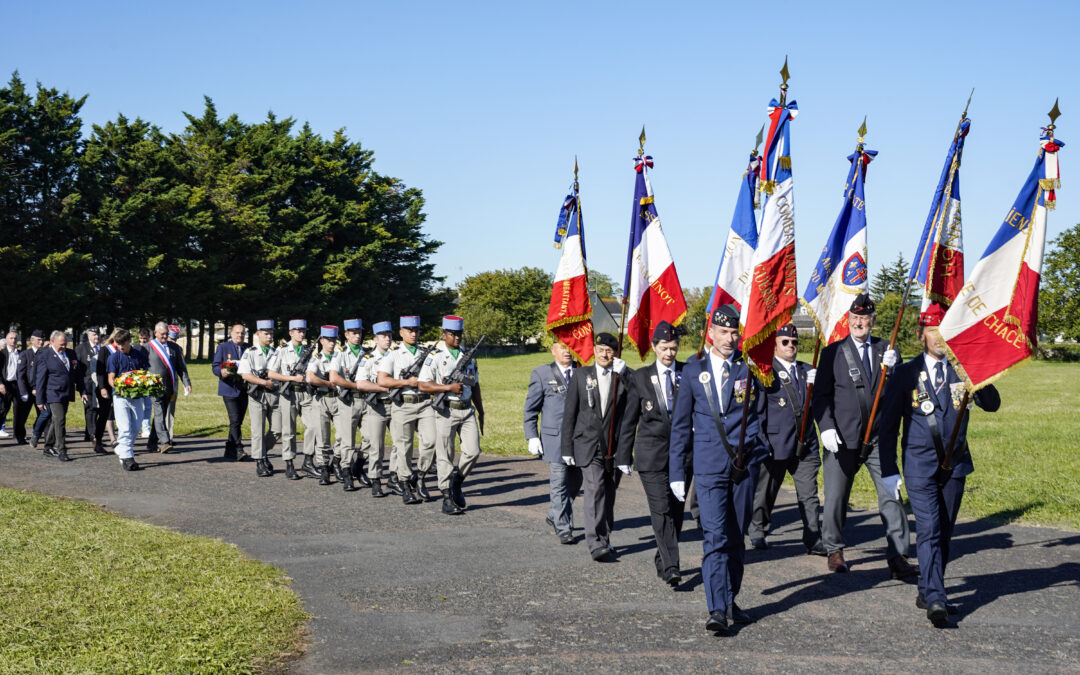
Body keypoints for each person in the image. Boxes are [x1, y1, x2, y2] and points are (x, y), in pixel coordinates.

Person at [879, 310, 1001, 626]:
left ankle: (928, 588)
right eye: (934, 330)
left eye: (946, 330)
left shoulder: (962, 372)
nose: (940, 337)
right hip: (919, 464)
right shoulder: (907, 374)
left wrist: (977, 369)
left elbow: (992, 403)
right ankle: (936, 597)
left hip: (956, 463)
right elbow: (888, 425)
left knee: (944, 532)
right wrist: (889, 468)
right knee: (930, 528)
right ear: (922, 335)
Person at [669, 305, 767, 634]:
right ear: (710, 334)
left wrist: (752, 452)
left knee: (737, 538)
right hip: (709, 467)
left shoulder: (749, 370)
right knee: (715, 537)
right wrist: (676, 473)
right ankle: (716, 608)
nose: (730, 338)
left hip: (742, 468)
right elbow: (681, 427)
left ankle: (729, 598)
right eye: (723, 332)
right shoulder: (694, 372)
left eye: (734, 332)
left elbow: (760, 416)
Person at [812, 293, 915, 579]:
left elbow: (898, 394)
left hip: (879, 440)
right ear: (849, 320)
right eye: (855, 318)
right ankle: (833, 548)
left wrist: (896, 369)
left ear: (872, 320)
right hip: (842, 439)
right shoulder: (833, 352)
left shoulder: (887, 349)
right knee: (835, 497)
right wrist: (827, 427)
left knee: (891, 496)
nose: (859, 323)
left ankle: (898, 556)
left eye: (865, 318)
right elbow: (820, 397)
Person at [617, 321, 686, 585]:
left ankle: (662, 557)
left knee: (677, 511)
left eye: (673, 348)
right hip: (650, 454)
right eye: (664, 348)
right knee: (661, 509)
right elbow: (629, 419)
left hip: (682, 456)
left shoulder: (688, 373)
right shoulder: (641, 378)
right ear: (655, 348)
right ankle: (671, 566)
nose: (670, 353)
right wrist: (624, 456)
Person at [748, 322, 826, 555]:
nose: (790, 346)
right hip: (775, 445)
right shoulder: (766, 373)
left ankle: (813, 537)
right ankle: (758, 529)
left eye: (794, 342)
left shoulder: (806, 370)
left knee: (809, 494)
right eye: (785, 342)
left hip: (805, 445)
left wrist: (818, 382)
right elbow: (758, 413)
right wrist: (763, 444)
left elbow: (816, 407)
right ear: (774, 345)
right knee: (766, 493)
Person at [560, 332, 630, 561]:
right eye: (600, 350)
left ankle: (605, 537)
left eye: (609, 351)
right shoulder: (581, 375)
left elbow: (633, 399)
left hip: (614, 445)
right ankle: (595, 542)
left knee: (609, 493)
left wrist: (625, 373)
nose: (604, 354)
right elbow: (570, 413)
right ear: (594, 351)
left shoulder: (622, 377)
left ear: (615, 354)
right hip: (587, 444)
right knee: (594, 488)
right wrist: (566, 448)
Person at [419, 316, 486, 515]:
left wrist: (481, 410)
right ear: (444, 334)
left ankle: (458, 481)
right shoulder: (436, 357)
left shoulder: (469, 356)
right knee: (445, 456)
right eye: (452, 334)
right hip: (446, 410)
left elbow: (475, 385)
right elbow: (423, 384)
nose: (457, 337)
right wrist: (447, 387)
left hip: (466, 410)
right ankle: (447, 497)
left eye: (459, 334)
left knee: (473, 451)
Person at [523, 341, 580, 544]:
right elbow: (531, 409)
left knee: (575, 482)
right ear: (553, 350)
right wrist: (532, 436)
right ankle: (563, 527)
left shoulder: (583, 371)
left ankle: (554, 513)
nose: (567, 351)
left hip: (578, 439)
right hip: (554, 438)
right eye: (562, 347)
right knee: (559, 483)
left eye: (570, 347)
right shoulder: (542, 374)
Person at [377, 316, 435, 505]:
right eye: (409, 330)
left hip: (425, 403)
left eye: (416, 330)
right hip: (403, 405)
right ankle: (405, 484)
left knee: (430, 442)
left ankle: (420, 477)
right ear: (401, 332)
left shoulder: (427, 354)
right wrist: (405, 382)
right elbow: (382, 380)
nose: (413, 333)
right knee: (404, 447)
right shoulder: (393, 354)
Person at [330, 318, 390, 492]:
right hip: (349, 401)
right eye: (354, 333)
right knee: (348, 440)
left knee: (370, 439)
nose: (357, 336)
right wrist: (356, 385)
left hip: (368, 401)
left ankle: (358, 465)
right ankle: (347, 472)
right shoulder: (340, 353)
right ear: (347, 335)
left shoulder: (366, 353)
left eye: (360, 333)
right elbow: (334, 378)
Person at [268, 319, 313, 480]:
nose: (301, 333)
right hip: (289, 393)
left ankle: (308, 460)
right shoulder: (282, 351)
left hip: (306, 393)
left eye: (303, 331)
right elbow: (271, 373)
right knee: (289, 430)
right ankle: (289, 463)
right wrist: (291, 378)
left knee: (313, 427)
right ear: (290, 333)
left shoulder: (308, 350)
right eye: (298, 331)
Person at [238, 319, 279, 477]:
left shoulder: (276, 352)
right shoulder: (251, 352)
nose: (269, 336)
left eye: (271, 334)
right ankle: (260, 461)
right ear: (258, 334)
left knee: (277, 429)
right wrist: (263, 382)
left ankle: (262, 451)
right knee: (258, 430)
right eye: (266, 333)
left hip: (274, 394)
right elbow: (245, 374)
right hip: (258, 395)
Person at [106, 329, 151, 472]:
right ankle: (128, 459)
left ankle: (121, 448)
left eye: (122, 344)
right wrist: (118, 387)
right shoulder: (114, 357)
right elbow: (111, 378)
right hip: (120, 396)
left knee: (136, 427)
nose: (120, 347)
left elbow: (145, 373)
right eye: (118, 345)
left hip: (136, 396)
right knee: (125, 427)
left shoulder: (139, 355)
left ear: (129, 341)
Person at [359, 321, 395, 497]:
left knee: (399, 444)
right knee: (377, 446)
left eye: (389, 335)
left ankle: (395, 478)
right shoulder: (368, 359)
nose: (387, 339)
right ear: (375, 339)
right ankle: (375, 480)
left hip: (396, 405)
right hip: (377, 406)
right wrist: (384, 388)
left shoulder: (396, 357)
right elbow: (361, 383)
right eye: (383, 336)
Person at [35, 330, 82, 461]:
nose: (63, 347)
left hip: (66, 392)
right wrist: (39, 400)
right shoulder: (45, 356)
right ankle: (61, 449)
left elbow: (76, 374)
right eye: (61, 344)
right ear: (52, 342)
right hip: (53, 393)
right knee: (60, 420)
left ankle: (47, 447)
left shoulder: (71, 353)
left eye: (65, 344)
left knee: (56, 420)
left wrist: (82, 391)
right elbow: (40, 379)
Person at [146, 322, 191, 454]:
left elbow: (181, 368)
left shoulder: (174, 348)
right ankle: (165, 442)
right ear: (155, 333)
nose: (165, 336)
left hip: (170, 387)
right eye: (162, 334)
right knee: (159, 411)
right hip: (154, 387)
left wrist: (186, 383)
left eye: (167, 334)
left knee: (161, 414)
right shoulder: (147, 348)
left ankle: (151, 443)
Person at [306, 325, 343, 486]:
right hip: (321, 398)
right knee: (322, 437)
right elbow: (310, 378)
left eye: (334, 339)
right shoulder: (316, 358)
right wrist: (328, 383)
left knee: (343, 435)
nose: (331, 343)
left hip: (339, 399)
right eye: (328, 340)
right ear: (321, 341)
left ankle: (337, 461)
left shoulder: (340, 356)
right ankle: (324, 469)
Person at [212, 324, 250, 461]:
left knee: (238, 421)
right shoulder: (223, 347)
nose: (240, 335)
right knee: (234, 419)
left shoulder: (248, 348)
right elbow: (215, 366)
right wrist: (222, 371)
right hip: (228, 389)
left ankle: (229, 449)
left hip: (244, 389)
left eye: (242, 333)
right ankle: (239, 448)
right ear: (231, 333)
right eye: (237, 333)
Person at [20, 330, 50, 447]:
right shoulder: (26, 354)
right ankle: (21, 435)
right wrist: (28, 389)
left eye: (42, 339)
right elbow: (23, 374)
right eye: (38, 339)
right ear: (32, 340)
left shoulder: (46, 352)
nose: (41, 342)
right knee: (23, 415)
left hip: (42, 390)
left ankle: (46, 438)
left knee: (44, 414)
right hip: (30, 389)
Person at [91, 330, 120, 454]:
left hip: (120, 387)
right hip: (105, 388)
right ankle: (98, 441)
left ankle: (120, 441)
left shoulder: (123, 350)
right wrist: (102, 387)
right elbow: (100, 371)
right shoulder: (105, 350)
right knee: (104, 415)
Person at [75, 327, 102, 443]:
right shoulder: (81, 348)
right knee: (90, 409)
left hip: (99, 384)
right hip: (87, 384)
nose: (96, 337)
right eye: (94, 334)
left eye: (98, 334)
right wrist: (82, 389)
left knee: (98, 410)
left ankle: (88, 434)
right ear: (88, 335)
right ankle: (93, 435)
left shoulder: (102, 348)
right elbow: (78, 370)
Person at [1, 330, 27, 443]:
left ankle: (19, 436)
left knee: (19, 411)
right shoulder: (2, 354)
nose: (13, 340)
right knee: (2, 410)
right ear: (6, 340)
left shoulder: (21, 353)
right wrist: (0, 384)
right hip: (6, 384)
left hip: (18, 385)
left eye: (15, 338)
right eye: (11, 338)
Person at [133, 328, 153, 438]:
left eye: (144, 339)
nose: (142, 341)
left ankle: (146, 428)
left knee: (148, 406)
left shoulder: (152, 348)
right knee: (139, 405)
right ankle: (136, 427)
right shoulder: (135, 349)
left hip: (149, 379)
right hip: (138, 379)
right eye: (140, 339)